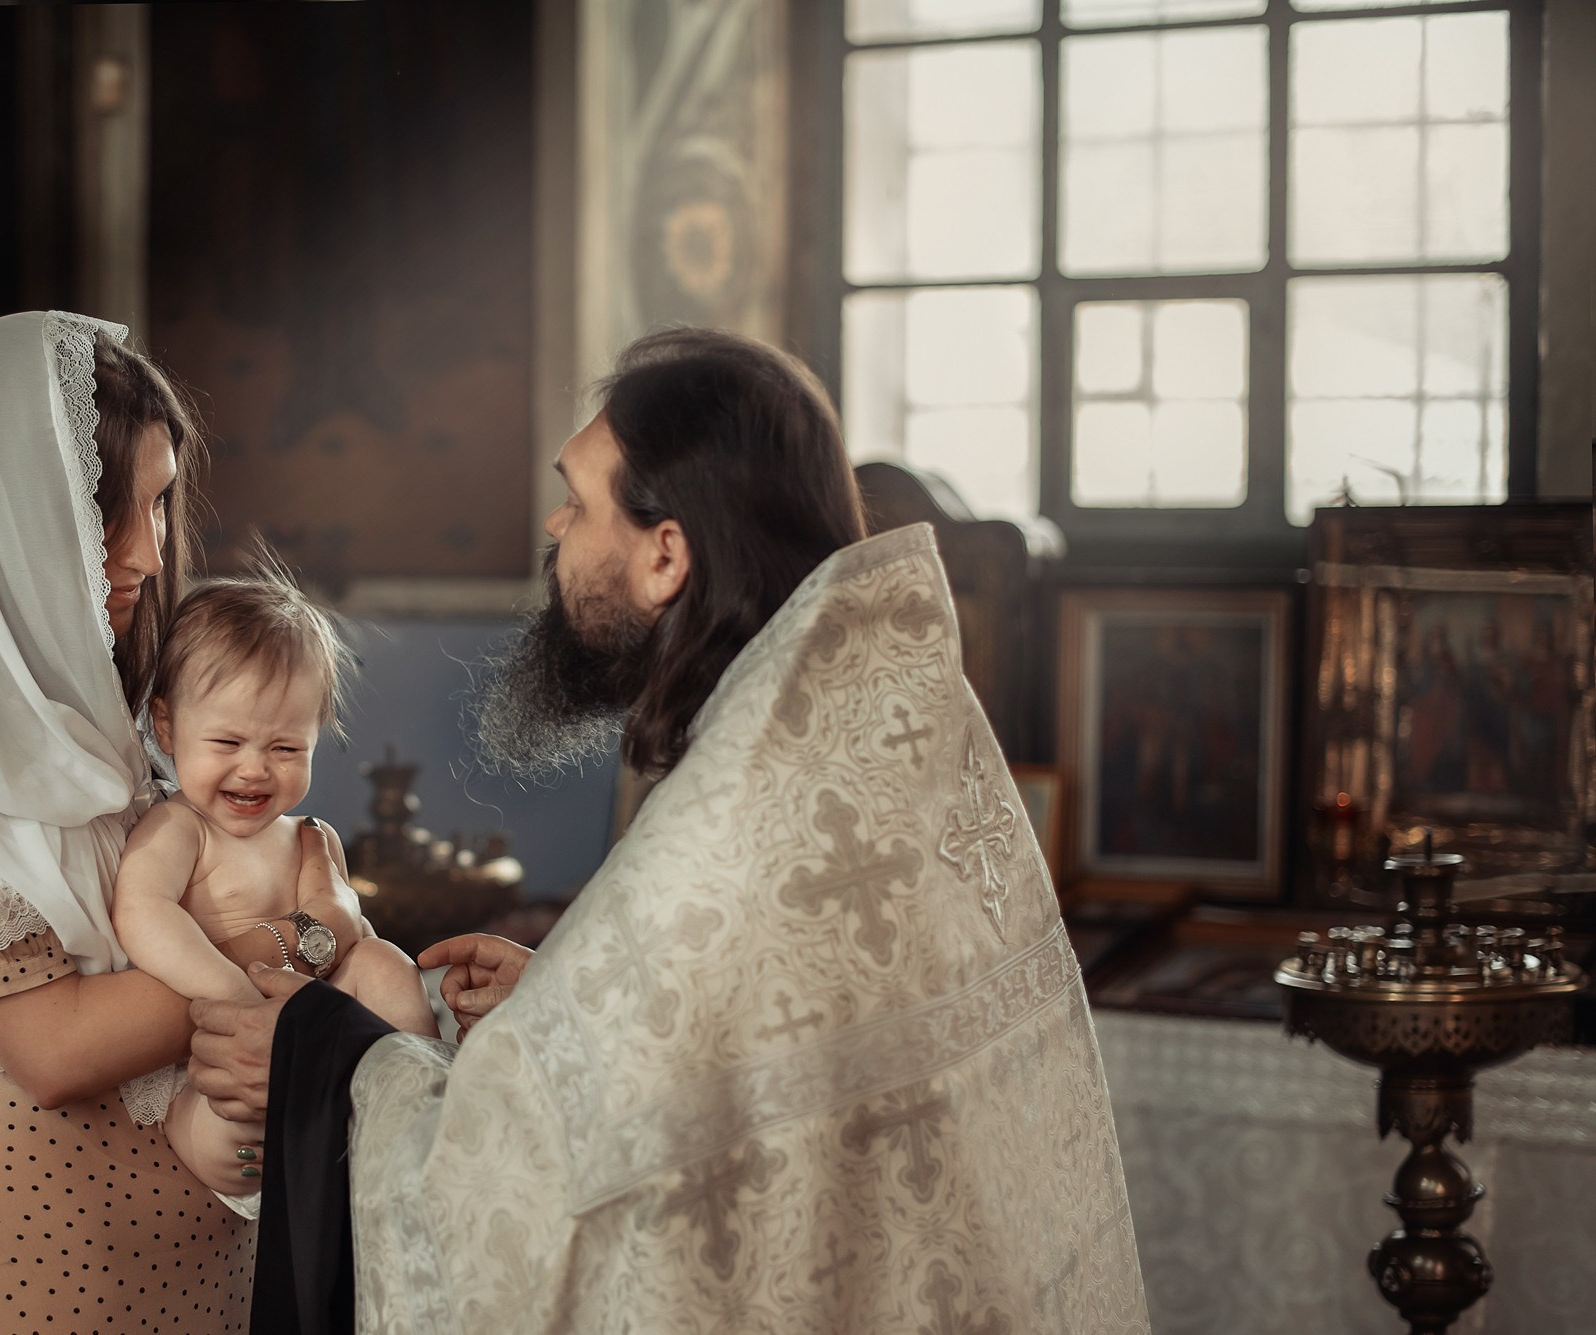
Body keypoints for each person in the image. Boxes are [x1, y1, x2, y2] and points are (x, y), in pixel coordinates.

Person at [189, 327, 1151, 1333]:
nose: (555, 528)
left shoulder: (731, 813)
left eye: (577, 498)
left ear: (663, 553)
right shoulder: (861, 731)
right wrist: (565, 1011)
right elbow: (790, 1058)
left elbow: (501, 1206)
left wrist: (322, 1057)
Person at [0, 311, 364, 1332]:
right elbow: (53, 1049)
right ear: (9, 506)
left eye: (157, 506)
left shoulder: (89, 709)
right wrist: (295, 945)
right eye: (111, 508)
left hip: (202, 1253)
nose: (148, 553)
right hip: (31, 1276)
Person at [111, 572, 438, 1211]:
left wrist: (349, 1001)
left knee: (383, 963)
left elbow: (349, 942)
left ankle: (414, 1104)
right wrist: (235, 998)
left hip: (304, 1045)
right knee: (236, 1125)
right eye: (228, 742)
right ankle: (271, 1150)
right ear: (168, 727)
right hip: (210, 1065)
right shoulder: (180, 828)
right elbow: (141, 911)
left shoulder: (310, 838)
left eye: (287, 747)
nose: (256, 768)